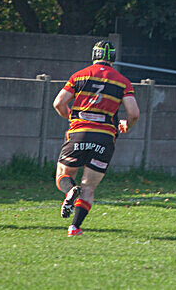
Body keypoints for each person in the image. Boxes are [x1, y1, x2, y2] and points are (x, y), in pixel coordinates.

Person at [52, 40, 139, 237]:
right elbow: (133, 113)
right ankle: (75, 227)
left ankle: (69, 191)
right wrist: (126, 124)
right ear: (113, 58)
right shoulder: (123, 81)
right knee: (89, 187)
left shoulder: (79, 75)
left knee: (63, 174)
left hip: (79, 132)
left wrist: (72, 118)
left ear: (94, 55)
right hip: (105, 138)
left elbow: (58, 103)